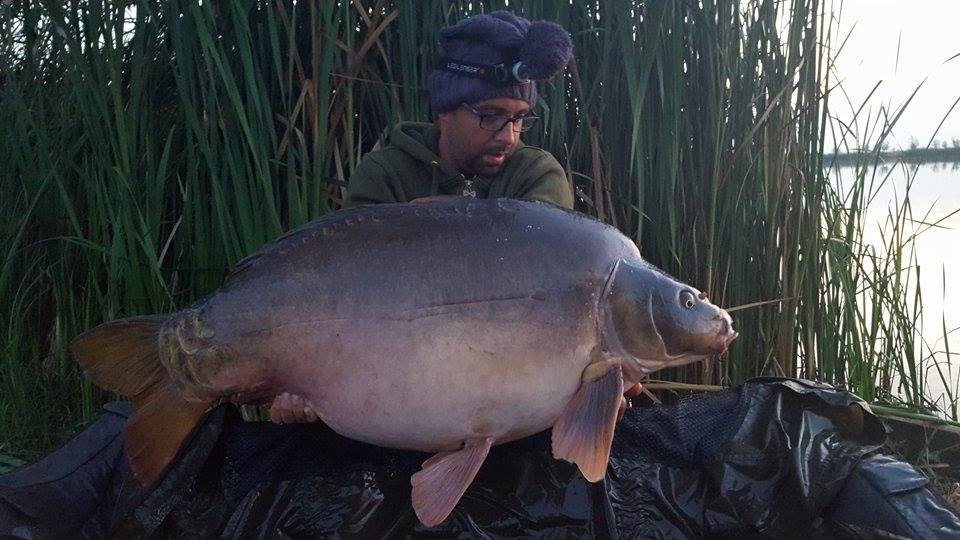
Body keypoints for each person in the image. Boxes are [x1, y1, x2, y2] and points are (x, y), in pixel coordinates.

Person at [346, 10, 574, 209]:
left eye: (518, 118)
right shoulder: (385, 174)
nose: (509, 137)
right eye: (490, 116)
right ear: (445, 110)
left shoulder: (537, 175)